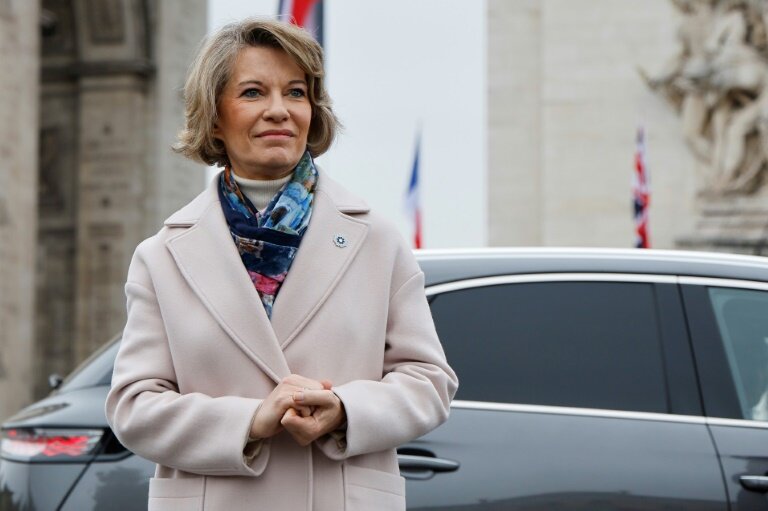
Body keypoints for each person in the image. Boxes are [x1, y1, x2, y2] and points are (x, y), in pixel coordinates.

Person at [104, 17, 458, 511]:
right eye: (252, 92)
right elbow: (134, 406)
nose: (279, 110)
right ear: (213, 118)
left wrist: (345, 411)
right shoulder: (161, 256)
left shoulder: (377, 238)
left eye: (295, 92)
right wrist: (250, 421)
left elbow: (429, 382)